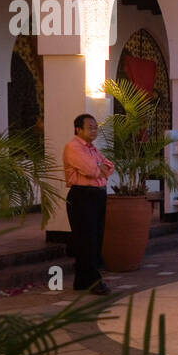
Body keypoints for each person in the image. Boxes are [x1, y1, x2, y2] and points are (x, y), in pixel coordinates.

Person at [62, 113, 114, 294]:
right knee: (87, 239)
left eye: (95, 127)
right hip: (82, 196)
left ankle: (81, 280)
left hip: (97, 195)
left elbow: (109, 167)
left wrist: (100, 168)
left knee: (96, 237)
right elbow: (92, 170)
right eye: (90, 127)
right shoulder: (73, 147)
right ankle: (93, 281)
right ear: (78, 129)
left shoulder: (92, 149)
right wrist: (99, 168)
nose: (94, 131)